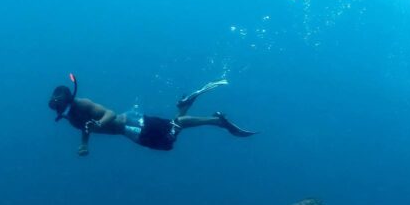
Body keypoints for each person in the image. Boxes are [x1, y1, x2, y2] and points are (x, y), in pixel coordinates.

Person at [48, 74, 256, 156]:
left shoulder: (82, 103)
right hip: (131, 128)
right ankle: (185, 104)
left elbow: (109, 113)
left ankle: (217, 121)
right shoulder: (71, 118)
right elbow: (86, 128)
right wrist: (84, 143)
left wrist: (99, 124)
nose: (60, 111)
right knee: (170, 133)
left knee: (173, 130)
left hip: (131, 126)